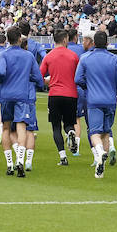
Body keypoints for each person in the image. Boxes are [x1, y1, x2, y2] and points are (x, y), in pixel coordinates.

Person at [75, 30, 117, 178]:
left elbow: (78, 79)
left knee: (94, 132)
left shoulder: (85, 58)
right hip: (110, 100)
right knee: (106, 131)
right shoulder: (116, 58)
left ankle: (99, 152)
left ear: (93, 43)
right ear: (107, 43)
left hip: (93, 100)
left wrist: (88, 87)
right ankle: (101, 169)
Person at [0, 26, 46, 177]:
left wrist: (3, 81)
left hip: (6, 95)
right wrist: (26, 77)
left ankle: (9, 164)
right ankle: (20, 161)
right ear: (20, 39)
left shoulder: (2, 55)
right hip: (22, 96)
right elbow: (38, 78)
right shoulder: (28, 56)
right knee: (21, 128)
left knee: (6, 128)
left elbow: (0, 73)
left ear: (7, 39)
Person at [41, 29, 82, 167]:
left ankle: (63, 157)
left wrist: (48, 81)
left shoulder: (48, 56)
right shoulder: (74, 56)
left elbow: (39, 75)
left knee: (56, 127)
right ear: (65, 40)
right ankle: (70, 132)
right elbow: (79, 76)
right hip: (71, 94)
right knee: (69, 123)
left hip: (54, 94)